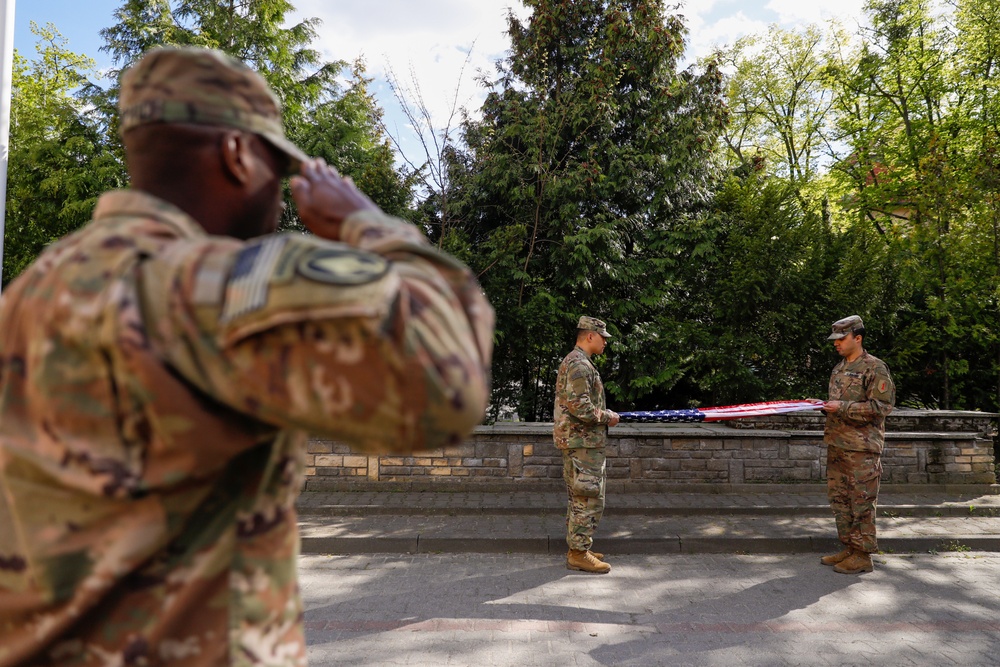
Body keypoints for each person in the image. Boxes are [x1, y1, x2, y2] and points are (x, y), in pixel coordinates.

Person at [0, 47, 493, 666]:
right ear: (237, 154)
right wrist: (371, 226)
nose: (283, 198)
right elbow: (449, 387)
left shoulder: (32, 291)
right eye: (277, 169)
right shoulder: (214, 286)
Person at [810, 315, 895, 575]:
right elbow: (839, 405)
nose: (836, 344)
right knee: (840, 500)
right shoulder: (839, 368)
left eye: (841, 339)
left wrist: (842, 407)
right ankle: (849, 547)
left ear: (857, 338)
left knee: (861, 502)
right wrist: (822, 406)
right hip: (837, 444)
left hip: (862, 449)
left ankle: (863, 555)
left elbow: (882, 407)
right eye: (834, 339)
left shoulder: (875, 368)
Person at [553, 316, 620, 574]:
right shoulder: (579, 365)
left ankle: (578, 547)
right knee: (589, 497)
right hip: (583, 442)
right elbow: (580, 407)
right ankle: (579, 553)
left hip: (579, 441)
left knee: (579, 496)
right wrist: (608, 416)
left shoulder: (577, 362)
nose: (605, 342)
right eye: (602, 337)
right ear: (589, 335)